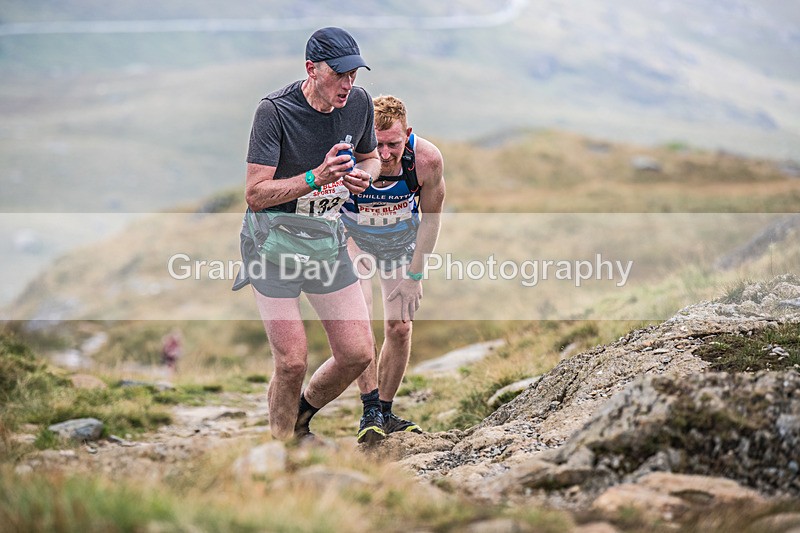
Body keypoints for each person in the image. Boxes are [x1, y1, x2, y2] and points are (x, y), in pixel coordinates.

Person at [232, 27, 381, 443]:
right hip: (272, 246)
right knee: (292, 362)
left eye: (354, 74)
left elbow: (371, 160)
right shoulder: (274, 111)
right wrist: (317, 177)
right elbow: (256, 194)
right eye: (340, 74)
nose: (348, 84)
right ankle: (281, 453)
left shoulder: (360, 104)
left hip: (325, 242)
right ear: (312, 69)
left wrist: (362, 179)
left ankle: (299, 417)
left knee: (357, 353)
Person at [340, 95, 446, 442]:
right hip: (353, 240)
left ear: (408, 134)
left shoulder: (426, 160)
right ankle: (369, 408)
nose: (384, 155)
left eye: (393, 144)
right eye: (378, 144)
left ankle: (385, 411)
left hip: (400, 244)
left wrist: (415, 276)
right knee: (360, 320)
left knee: (400, 328)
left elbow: (431, 220)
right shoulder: (350, 156)